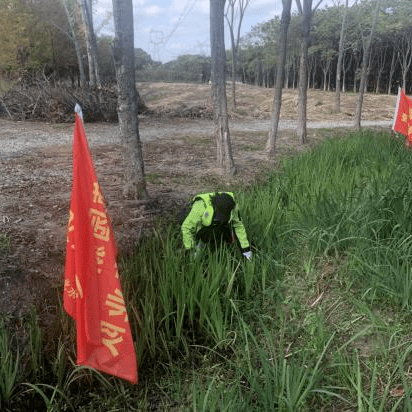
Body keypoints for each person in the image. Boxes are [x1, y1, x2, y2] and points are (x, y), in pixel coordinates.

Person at [181, 191, 251, 260]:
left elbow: (238, 226)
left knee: (225, 232)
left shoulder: (232, 207)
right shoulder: (201, 206)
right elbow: (186, 227)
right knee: (209, 234)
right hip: (203, 227)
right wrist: (190, 248)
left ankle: (222, 249)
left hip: (218, 226)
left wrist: (246, 248)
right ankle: (200, 250)